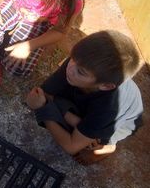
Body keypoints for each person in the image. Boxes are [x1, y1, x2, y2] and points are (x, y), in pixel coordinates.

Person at [26, 30, 143, 165]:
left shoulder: (109, 108)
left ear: (106, 86)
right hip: (87, 98)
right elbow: (46, 93)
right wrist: (76, 122)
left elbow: (71, 146)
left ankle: (109, 146)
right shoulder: (79, 64)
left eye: (81, 72)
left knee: (95, 141)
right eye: (72, 57)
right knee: (57, 105)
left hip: (118, 123)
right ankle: (82, 126)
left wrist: (42, 108)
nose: (70, 68)